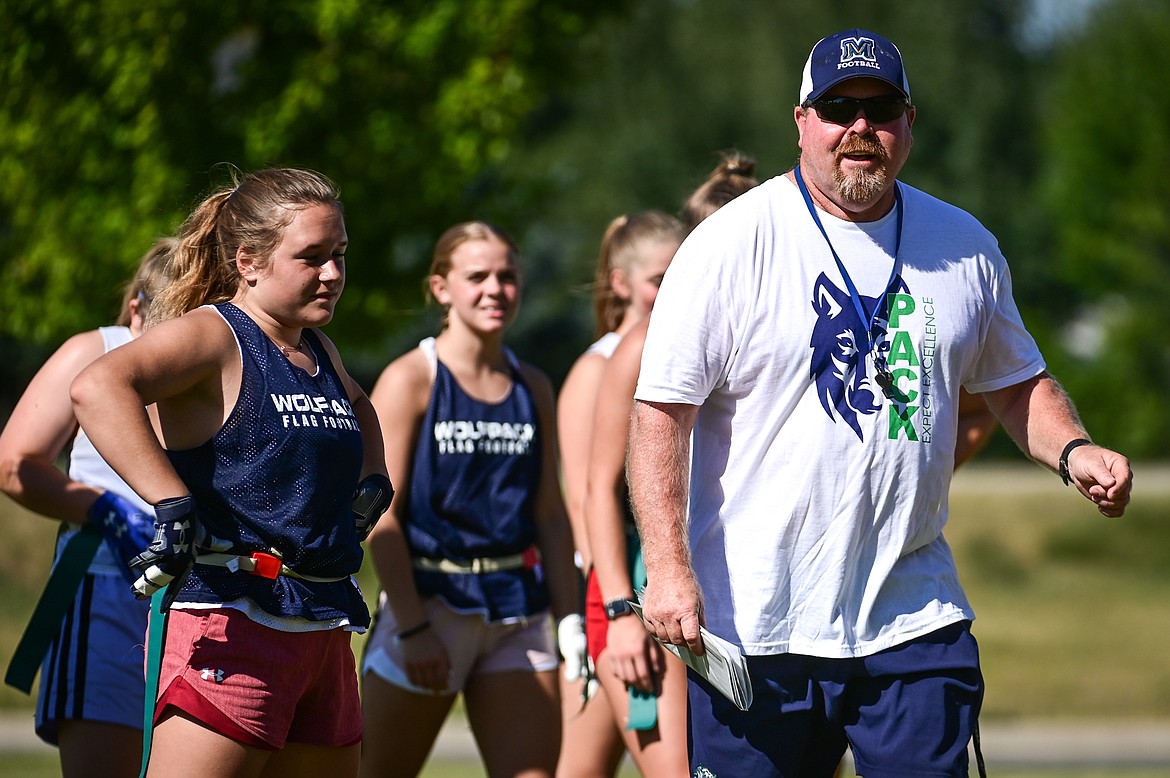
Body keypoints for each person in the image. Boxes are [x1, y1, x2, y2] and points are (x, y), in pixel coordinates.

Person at [625, 29, 1132, 778]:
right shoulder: (731, 244)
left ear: (909, 121)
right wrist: (667, 569)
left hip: (912, 617)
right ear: (802, 120)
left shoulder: (964, 247)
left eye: (881, 107)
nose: (862, 126)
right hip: (759, 623)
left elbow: (1016, 381)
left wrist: (1073, 449)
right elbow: (661, 414)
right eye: (839, 106)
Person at [69, 167, 392, 778]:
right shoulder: (215, 335)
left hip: (320, 624)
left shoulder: (317, 346)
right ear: (248, 260)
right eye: (312, 257)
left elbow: (359, 405)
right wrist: (170, 504)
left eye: (340, 255)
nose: (333, 275)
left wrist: (373, 483)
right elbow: (97, 387)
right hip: (230, 621)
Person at [359, 221, 578, 778]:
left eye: (507, 276)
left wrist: (572, 620)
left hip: (516, 613)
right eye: (476, 276)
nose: (495, 289)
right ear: (441, 288)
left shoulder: (533, 386)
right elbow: (380, 513)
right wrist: (411, 626)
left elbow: (549, 516)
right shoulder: (413, 378)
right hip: (430, 606)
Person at [580, 158, 758, 777]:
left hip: (736, 590)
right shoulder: (642, 345)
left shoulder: (763, 329)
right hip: (643, 589)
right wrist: (620, 614)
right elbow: (598, 490)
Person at [0, 238, 176, 778]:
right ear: (137, 307)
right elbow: (15, 463)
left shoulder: (220, 360)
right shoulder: (96, 350)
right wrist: (102, 508)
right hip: (104, 588)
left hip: (203, 595)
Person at [555, 210, 687, 778]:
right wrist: (610, 614)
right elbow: (590, 496)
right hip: (621, 585)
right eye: (660, 279)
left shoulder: (683, 351)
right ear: (622, 282)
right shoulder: (601, 365)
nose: (672, 290)